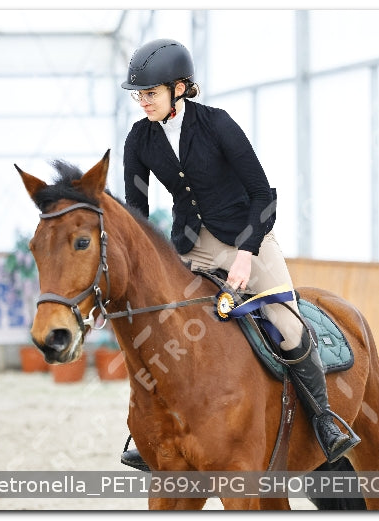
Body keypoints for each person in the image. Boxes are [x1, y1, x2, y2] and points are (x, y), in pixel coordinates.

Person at [119, 38, 360, 468]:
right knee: (162, 332)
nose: (143, 102)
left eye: (149, 93)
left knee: (287, 327)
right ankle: (146, 430)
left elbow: (263, 196)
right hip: (192, 247)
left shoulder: (216, 125)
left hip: (249, 237)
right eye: (139, 94)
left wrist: (247, 254)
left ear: (179, 88)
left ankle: (324, 420)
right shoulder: (139, 139)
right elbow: (135, 217)